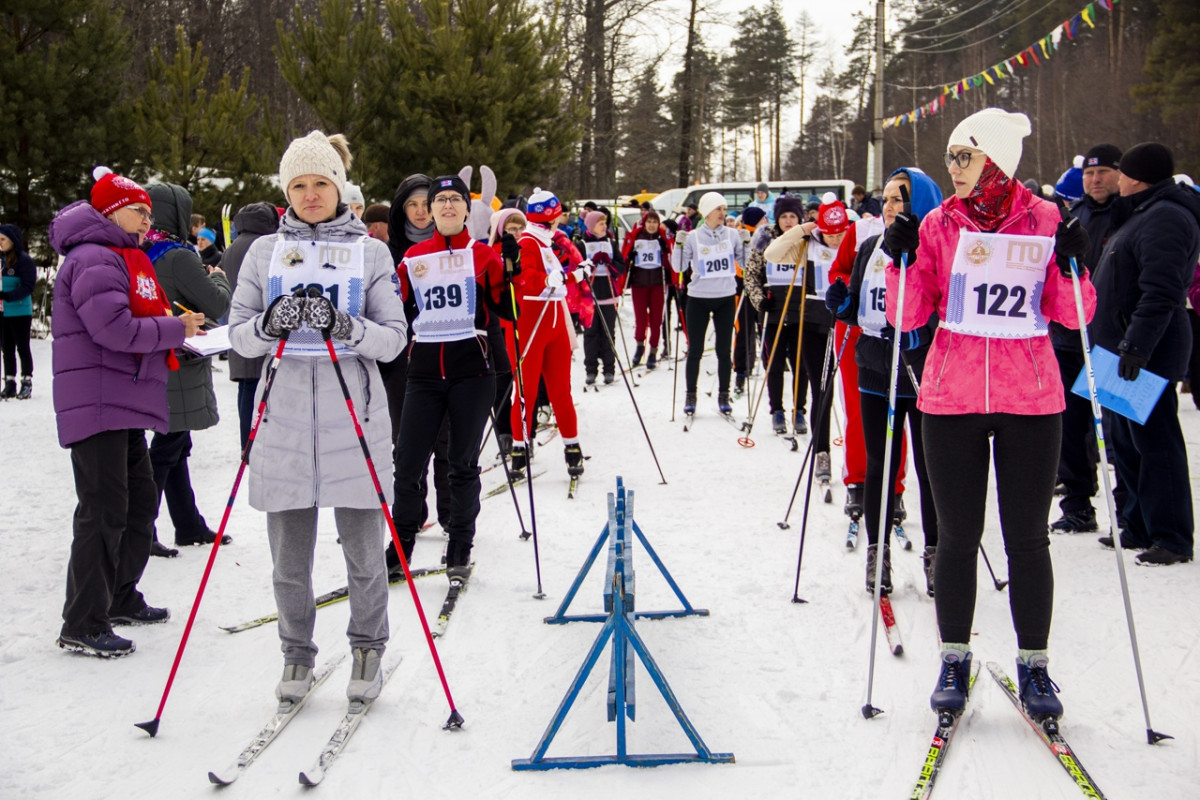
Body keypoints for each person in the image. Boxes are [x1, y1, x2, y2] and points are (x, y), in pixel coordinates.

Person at [884, 108, 1095, 723]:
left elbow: (1073, 314)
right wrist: (899, 261)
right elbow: (907, 316)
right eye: (950, 158)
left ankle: (1035, 664)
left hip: (1030, 396)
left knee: (1028, 538)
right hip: (950, 398)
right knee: (956, 536)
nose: (952, 169)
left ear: (996, 159)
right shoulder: (938, 223)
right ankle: (954, 657)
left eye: (963, 156)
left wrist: (1076, 263)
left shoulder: (1048, 219)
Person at [228, 130, 407, 706]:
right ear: (287, 192)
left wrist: (346, 326)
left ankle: (367, 648)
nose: (310, 195)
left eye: (320, 184)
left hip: (352, 416)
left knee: (362, 553)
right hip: (282, 421)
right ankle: (296, 655)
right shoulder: (262, 252)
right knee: (289, 562)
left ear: (339, 187)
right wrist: (269, 323)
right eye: (299, 185)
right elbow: (238, 337)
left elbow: (394, 341)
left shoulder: (370, 253)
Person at [51, 167, 206, 657]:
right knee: (102, 510)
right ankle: (82, 620)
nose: (147, 221)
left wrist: (175, 329)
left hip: (121, 403)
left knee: (138, 501)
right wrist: (173, 329)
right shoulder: (95, 257)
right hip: (97, 403)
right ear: (112, 210)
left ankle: (119, 595)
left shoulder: (122, 256)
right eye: (139, 211)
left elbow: (135, 321)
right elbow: (113, 329)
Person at [822, 170, 942, 596]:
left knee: (931, 470)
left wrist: (920, 331)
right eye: (887, 198)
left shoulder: (936, 246)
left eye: (900, 199)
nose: (889, 206)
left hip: (922, 372)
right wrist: (843, 304)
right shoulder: (871, 245)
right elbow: (859, 302)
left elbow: (947, 306)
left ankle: (936, 554)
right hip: (875, 369)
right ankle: (878, 551)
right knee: (879, 465)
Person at [392, 176, 513, 577]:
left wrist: (511, 265)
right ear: (429, 209)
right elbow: (397, 309)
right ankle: (402, 541)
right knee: (408, 462)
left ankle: (460, 542)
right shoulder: (412, 257)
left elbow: (508, 309)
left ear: (466, 209)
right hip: (424, 373)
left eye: (454, 200)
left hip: (472, 372)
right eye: (438, 200)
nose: (446, 206)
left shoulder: (484, 256)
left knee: (461, 462)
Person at [1091, 142, 1200, 566]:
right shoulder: (1140, 213)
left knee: (1156, 442)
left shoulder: (1166, 217)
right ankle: (1136, 523)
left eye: (1120, 171)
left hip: (1143, 349)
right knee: (1126, 440)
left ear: (1134, 176)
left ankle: (1171, 535)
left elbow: (1161, 291)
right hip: (1118, 347)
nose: (1112, 178)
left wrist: (1135, 345)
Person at [144, 183, 232, 557]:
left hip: (159, 356)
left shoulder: (143, 250)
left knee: (176, 441)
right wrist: (218, 275)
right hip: (183, 357)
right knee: (168, 445)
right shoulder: (179, 256)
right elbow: (215, 303)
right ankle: (140, 527)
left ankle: (187, 523)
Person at [1051, 144, 1123, 533]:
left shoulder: (1128, 212)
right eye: (1090, 175)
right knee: (1071, 426)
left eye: (1104, 173)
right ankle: (1077, 504)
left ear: (1120, 175)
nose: (1096, 181)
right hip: (1067, 338)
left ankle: (1129, 508)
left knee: (1119, 429)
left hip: (1111, 340)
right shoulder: (1074, 216)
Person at [509, 188, 588, 477]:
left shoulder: (547, 241)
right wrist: (547, 278)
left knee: (561, 392)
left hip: (555, 323)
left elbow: (559, 280)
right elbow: (528, 279)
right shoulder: (529, 241)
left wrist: (577, 273)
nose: (559, 223)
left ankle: (572, 446)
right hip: (533, 322)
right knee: (526, 391)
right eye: (556, 218)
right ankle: (519, 448)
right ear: (548, 219)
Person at [673, 191, 744, 416]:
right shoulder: (693, 236)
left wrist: (747, 244)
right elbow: (678, 267)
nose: (723, 213)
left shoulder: (732, 235)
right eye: (718, 209)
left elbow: (744, 261)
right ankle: (690, 396)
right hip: (698, 298)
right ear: (707, 212)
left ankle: (724, 395)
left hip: (725, 297)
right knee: (695, 350)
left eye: (724, 209)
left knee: (724, 351)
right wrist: (678, 245)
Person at [221, 202, 281, 451]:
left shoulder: (231, 248)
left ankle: (247, 441)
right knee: (258, 390)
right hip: (262, 326)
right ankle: (254, 443)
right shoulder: (266, 248)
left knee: (245, 389)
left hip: (239, 325)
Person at [576, 210, 626, 384]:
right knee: (590, 334)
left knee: (608, 333)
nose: (605, 226)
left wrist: (610, 263)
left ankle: (609, 369)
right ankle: (591, 370)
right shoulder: (582, 244)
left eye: (605, 223)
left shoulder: (611, 243)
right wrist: (591, 264)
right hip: (589, 297)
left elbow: (621, 267)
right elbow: (577, 271)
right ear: (591, 226)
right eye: (601, 224)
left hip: (608, 294)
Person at [621, 209, 672, 371]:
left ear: (658, 224)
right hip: (639, 283)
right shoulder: (636, 236)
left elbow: (671, 258)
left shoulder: (662, 238)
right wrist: (629, 257)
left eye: (654, 222)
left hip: (657, 283)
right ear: (644, 223)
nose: (652, 225)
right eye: (649, 222)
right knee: (641, 319)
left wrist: (665, 251)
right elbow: (625, 256)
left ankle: (653, 351)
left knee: (656, 320)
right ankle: (639, 347)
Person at [0, 224, 36, 399]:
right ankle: (9, 382)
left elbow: (28, 286)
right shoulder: (0, 260)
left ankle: (27, 381)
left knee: (22, 347)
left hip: (20, 311)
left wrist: (8, 295)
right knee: (6, 348)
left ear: (12, 241)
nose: (0, 243)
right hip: (3, 312)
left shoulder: (23, 260)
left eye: (3, 239)